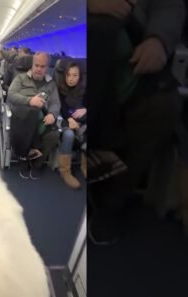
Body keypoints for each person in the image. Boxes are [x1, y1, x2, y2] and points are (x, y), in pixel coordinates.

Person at [87, 0, 186, 243]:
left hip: (131, 55)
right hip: (85, 57)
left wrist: (159, 40)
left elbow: (170, 5)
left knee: (165, 105)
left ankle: (110, 201)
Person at [8, 52, 60, 179]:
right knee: (33, 111)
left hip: (41, 120)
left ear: (47, 68)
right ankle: (24, 160)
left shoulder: (51, 84)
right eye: (36, 65)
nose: (39, 69)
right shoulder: (20, 78)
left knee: (54, 134)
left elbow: (55, 102)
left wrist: (53, 114)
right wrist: (29, 101)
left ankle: (37, 163)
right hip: (21, 118)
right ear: (32, 65)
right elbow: (11, 94)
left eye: (42, 66)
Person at [56, 60, 87, 189]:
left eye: (75, 75)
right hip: (63, 120)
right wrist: (69, 119)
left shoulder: (84, 89)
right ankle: (65, 172)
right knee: (68, 134)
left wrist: (87, 109)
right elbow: (61, 108)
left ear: (80, 76)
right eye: (68, 75)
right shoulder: (60, 89)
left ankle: (85, 167)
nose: (71, 79)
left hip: (82, 122)